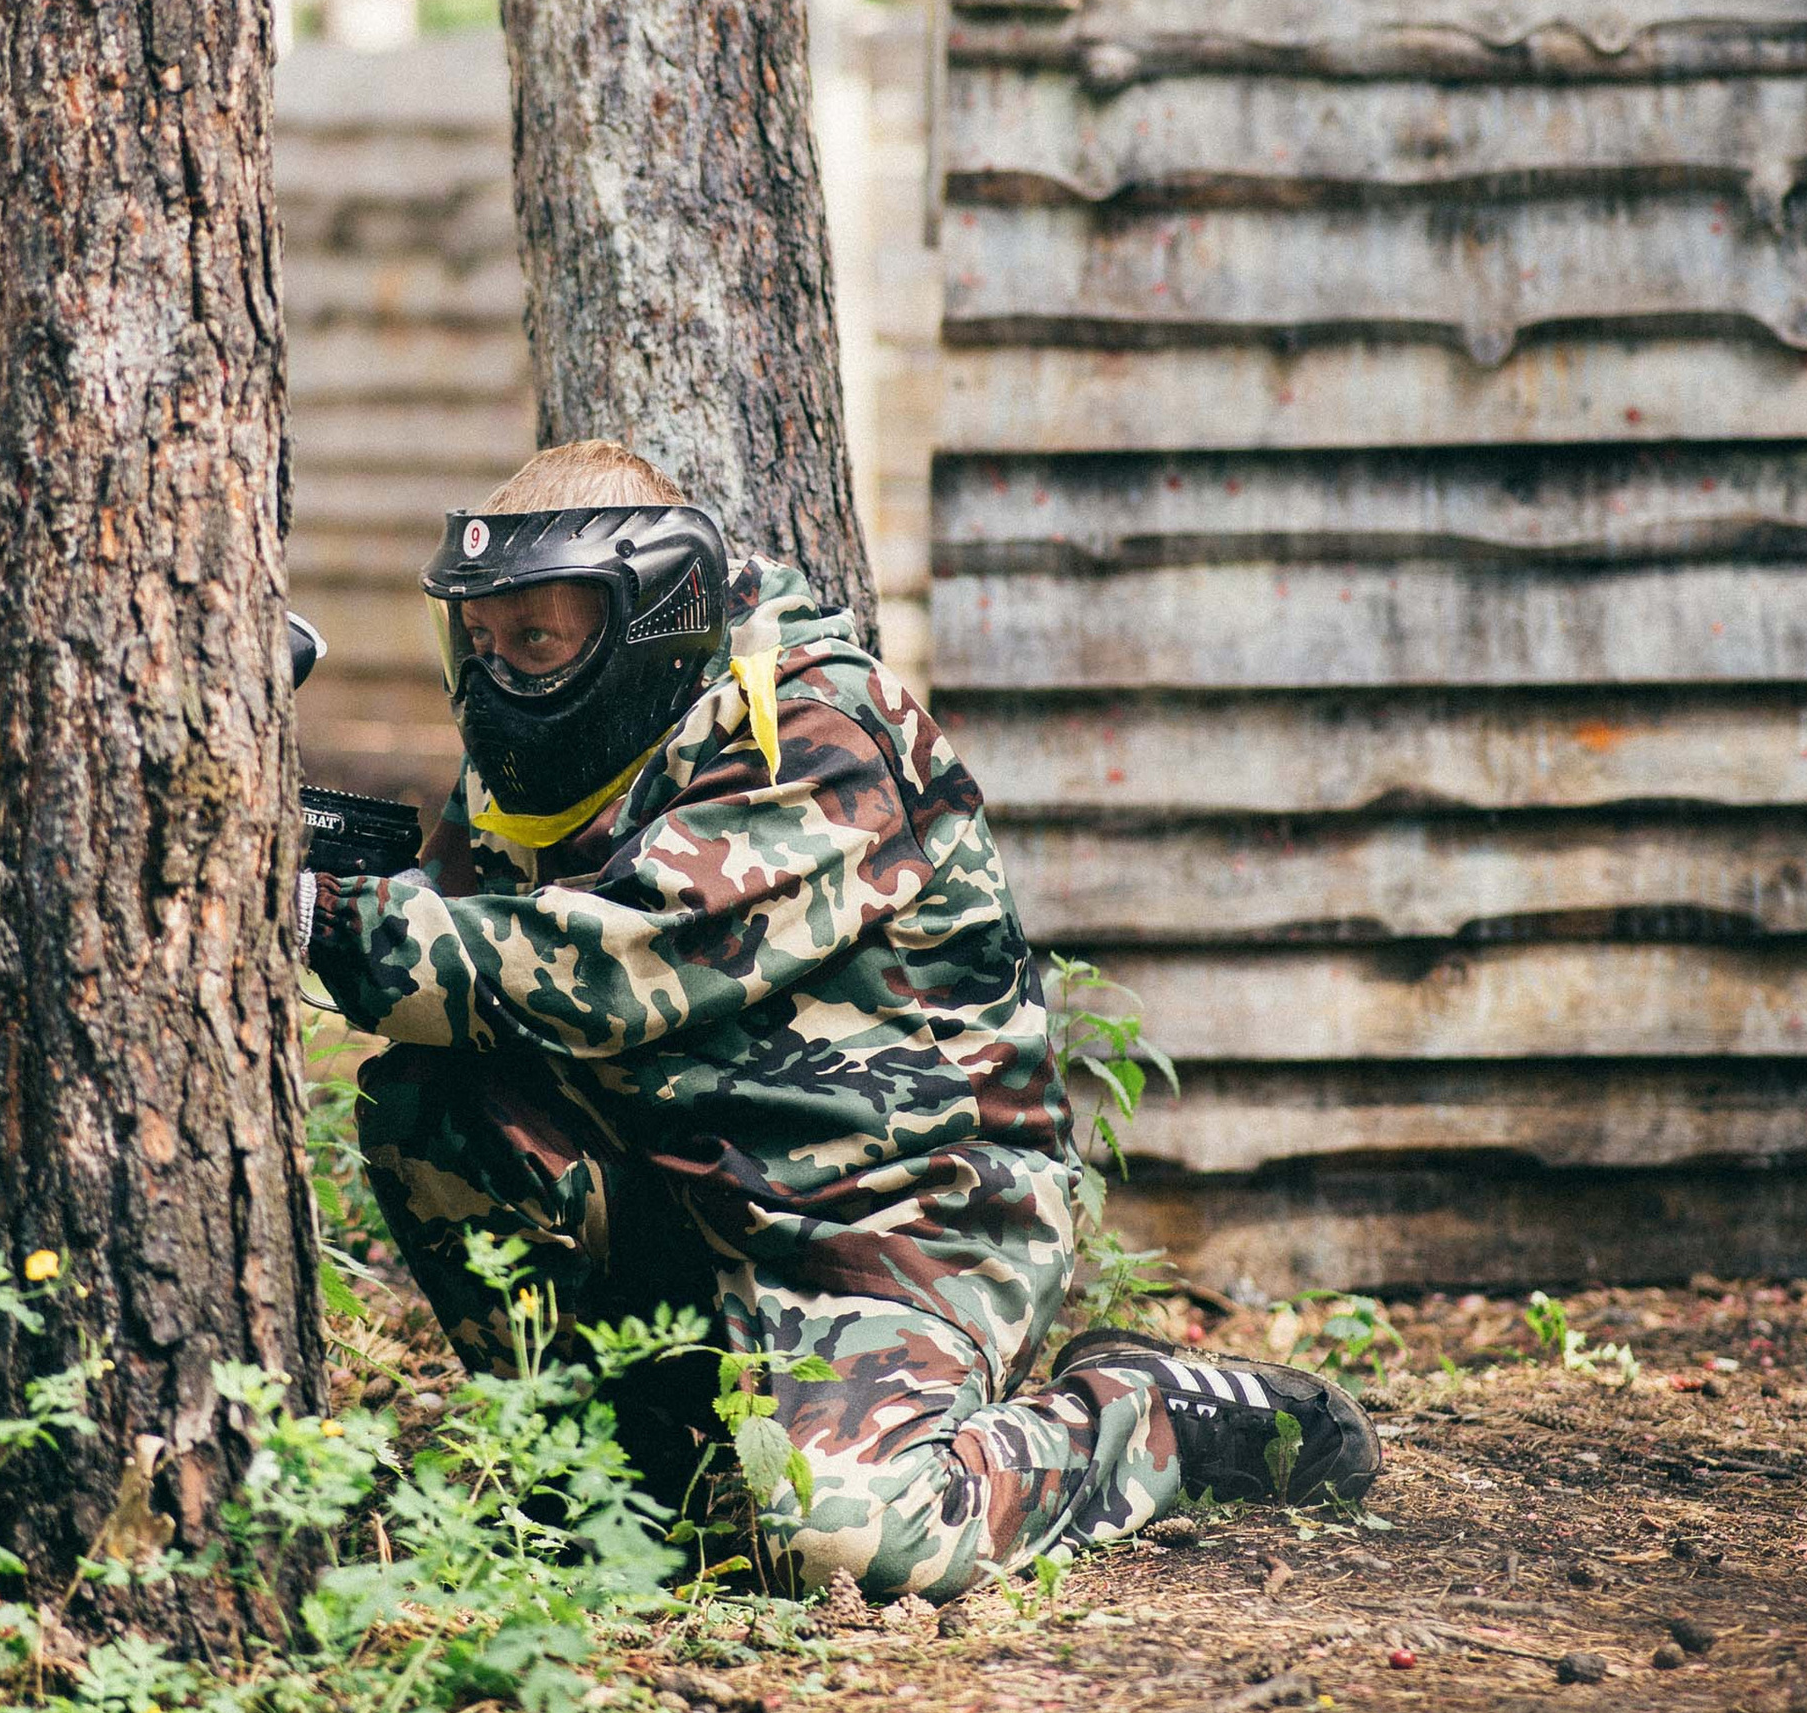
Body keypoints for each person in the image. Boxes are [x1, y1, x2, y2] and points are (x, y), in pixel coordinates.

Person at [297, 440, 1378, 1603]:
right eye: (484, 642)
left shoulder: (816, 740)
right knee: (437, 1104)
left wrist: (307, 909)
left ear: (647, 622)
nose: (502, 675)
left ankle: (1148, 1416)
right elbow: (456, 929)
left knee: (848, 1541)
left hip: (896, 1228)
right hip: (691, 1191)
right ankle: (627, 1485)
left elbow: (598, 971)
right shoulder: (556, 754)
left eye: (540, 642)